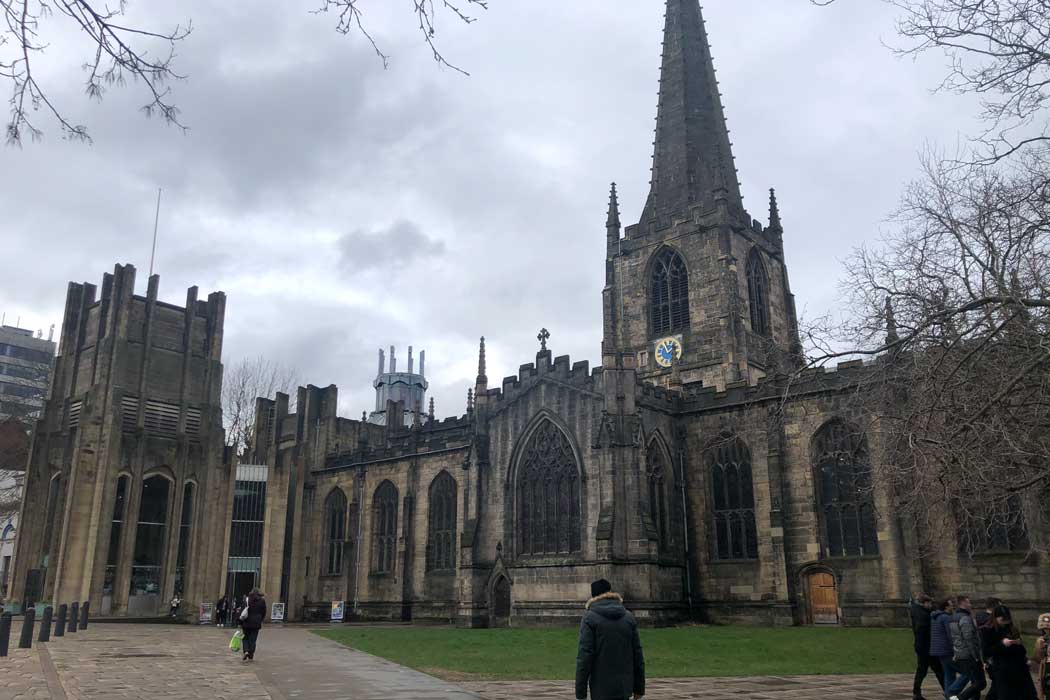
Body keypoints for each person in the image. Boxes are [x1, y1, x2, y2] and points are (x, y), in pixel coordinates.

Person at [575, 579, 645, 700]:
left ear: (593, 596)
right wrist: (639, 688)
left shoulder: (589, 618)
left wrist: (580, 693)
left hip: (600, 689)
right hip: (624, 688)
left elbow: (584, 657)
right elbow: (637, 655)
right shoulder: (628, 617)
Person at [985, 605, 1037, 700]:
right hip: (1003, 670)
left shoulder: (1012, 629)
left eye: (1007, 619)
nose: (1005, 622)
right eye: (1002, 619)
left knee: (1028, 694)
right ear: (995, 618)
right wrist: (1002, 644)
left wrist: (1018, 644)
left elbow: (1022, 650)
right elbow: (987, 651)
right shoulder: (989, 631)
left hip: (1019, 667)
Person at [947, 595, 985, 700]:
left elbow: (954, 637)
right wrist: (976, 656)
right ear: (963, 603)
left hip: (961, 653)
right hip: (969, 654)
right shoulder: (965, 618)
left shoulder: (953, 617)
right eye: (968, 602)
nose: (970, 604)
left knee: (975, 681)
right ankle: (959, 698)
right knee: (980, 683)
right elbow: (968, 637)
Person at [911, 594, 945, 700]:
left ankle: (916, 692)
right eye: (929, 603)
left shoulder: (917, 611)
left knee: (923, 670)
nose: (930, 605)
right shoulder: (924, 615)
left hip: (922, 646)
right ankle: (949, 691)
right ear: (924, 603)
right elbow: (923, 630)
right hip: (926, 647)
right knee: (938, 669)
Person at [978, 597, 1002, 700]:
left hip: (989, 656)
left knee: (998, 682)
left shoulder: (983, 619)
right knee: (998, 682)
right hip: (992, 657)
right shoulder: (989, 622)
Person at [931, 598, 956, 691]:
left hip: (938, 650)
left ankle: (949, 693)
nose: (952, 606)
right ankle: (951, 692)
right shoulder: (946, 617)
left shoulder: (935, 617)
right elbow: (950, 634)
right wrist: (955, 648)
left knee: (949, 673)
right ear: (946, 607)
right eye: (951, 604)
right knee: (965, 672)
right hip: (946, 649)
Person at [240, 588, 267, 661]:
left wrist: (240, 621)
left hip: (246, 622)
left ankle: (246, 651)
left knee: (245, 638)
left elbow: (242, 611)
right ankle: (251, 655)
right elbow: (264, 612)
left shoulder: (247, 600)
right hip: (256, 623)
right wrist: (260, 619)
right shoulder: (262, 601)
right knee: (253, 639)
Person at [1033, 612, 1049, 700]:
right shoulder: (1041, 640)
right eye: (1045, 628)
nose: (1047, 630)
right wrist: (1040, 647)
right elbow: (1037, 658)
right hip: (1046, 669)